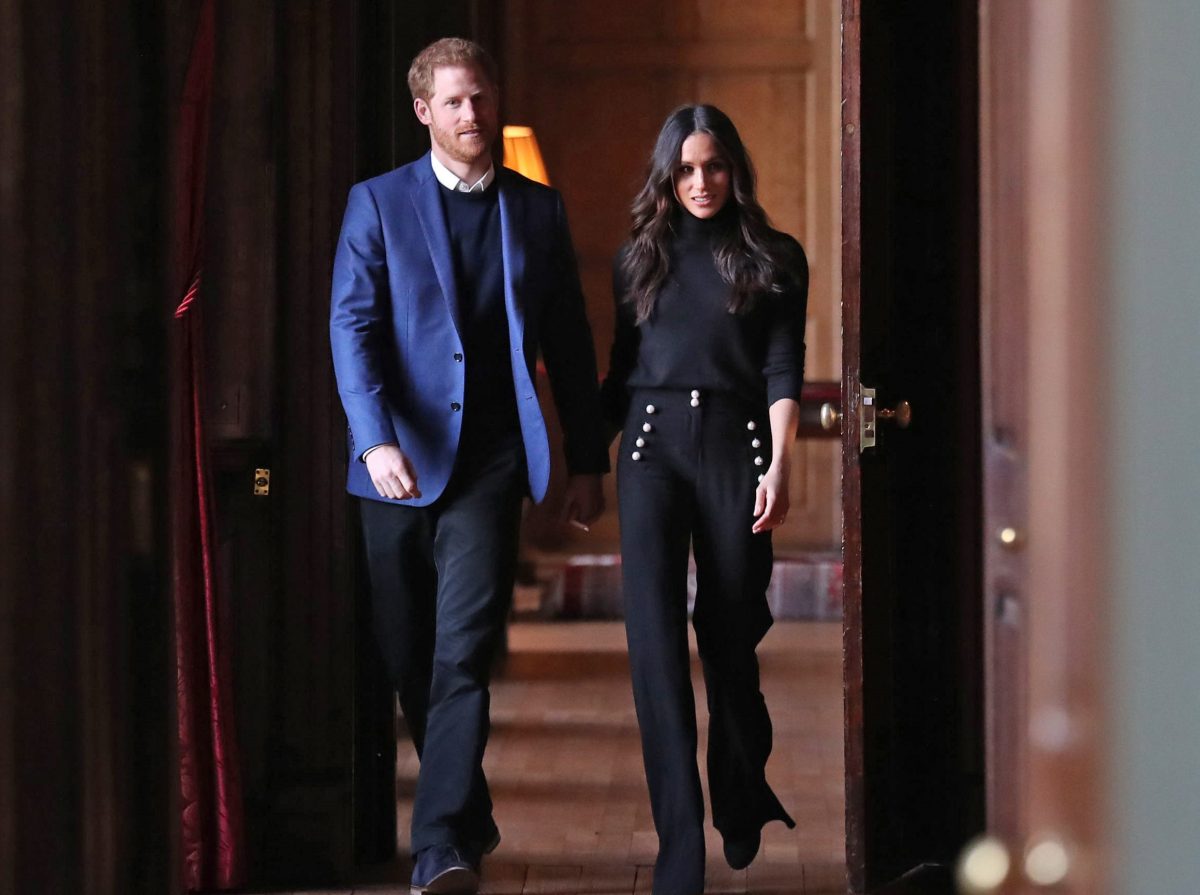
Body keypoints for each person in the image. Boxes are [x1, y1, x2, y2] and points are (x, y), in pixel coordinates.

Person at [329, 37, 608, 895]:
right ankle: (468, 806)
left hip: (490, 461)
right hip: (397, 463)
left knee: (462, 653)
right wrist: (375, 441)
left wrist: (586, 460)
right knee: (408, 649)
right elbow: (354, 328)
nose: (472, 115)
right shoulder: (375, 204)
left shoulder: (537, 210)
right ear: (424, 111)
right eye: (453, 102)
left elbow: (568, 338)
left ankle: (441, 845)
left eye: (481, 98)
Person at [600, 104, 807, 894]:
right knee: (654, 650)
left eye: (713, 166)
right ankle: (678, 853)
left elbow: (784, 365)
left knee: (730, 636)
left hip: (737, 446)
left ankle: (742, 784)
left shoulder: (776, 257)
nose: (699, 182)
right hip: (650, 452)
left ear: (734, 168)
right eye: (684, 169)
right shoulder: (636, 260)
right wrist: (583, 459)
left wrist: (780, 465)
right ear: (665, 174)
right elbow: (622, 372)